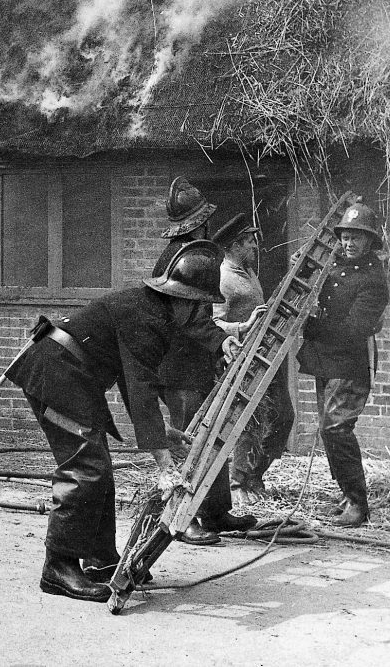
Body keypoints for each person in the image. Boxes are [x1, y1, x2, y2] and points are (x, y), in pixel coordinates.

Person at [6, 240, 233, 603]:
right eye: (200, 307)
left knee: (98, 467)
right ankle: (59, 566)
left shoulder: (150, 311)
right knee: (86, 468)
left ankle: (99, 560)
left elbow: (132, 385)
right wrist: (164, 464)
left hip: (71, 374)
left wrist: (165, 435)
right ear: (186, 301)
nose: (199, 317)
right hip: (57, 373)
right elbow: (141, 391)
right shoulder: (147, 318)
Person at [155, 178, 255, 545]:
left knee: (211, 434)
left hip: (192, 364)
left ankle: (215, 511)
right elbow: (192, 322)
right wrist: (223, 341)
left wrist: (218, 342)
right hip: (177, 367)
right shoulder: (189, 258)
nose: (208, 226)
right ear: (196, 223)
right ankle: (184, 518)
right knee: (190, 441)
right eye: (204, 220)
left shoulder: (189, 253)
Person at [297, 202, 389, 528]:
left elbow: (353, 330)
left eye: (357, 238)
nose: (349, 244)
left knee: (336, 428)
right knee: (328, 430)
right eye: (345, 237)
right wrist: (303, 270)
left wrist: (310, 324)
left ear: (370, 242)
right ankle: (346, 496)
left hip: (349, 365)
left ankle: (358, 503)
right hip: (325, 359)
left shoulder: (373, 280)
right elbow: (316, 282)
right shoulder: (335, 264)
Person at [210, 214, 292, 508]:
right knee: (248, 422)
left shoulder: (247, 273)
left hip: (264, 355)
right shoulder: (223, 279)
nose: (256, 247)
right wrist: (243, 327)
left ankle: (255, 474)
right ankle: (238, 483)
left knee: (283, 416)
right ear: (234, 245)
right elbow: (214, 323)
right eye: (250, 242)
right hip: (241, 359)